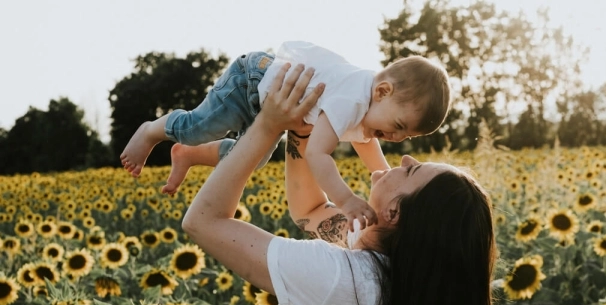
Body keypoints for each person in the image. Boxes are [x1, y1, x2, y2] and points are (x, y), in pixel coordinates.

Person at [182, 64, 498, 305]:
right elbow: (309, 211)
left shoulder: (342, 281)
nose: (404, 159)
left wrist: (267, 125)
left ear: (394, 212)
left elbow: (203, 221)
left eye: (412, 171)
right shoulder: (389, 276)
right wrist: (307, 126)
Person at [121, 41, 451, 230]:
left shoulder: (369, 107)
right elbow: (317, 154)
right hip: (251, 81)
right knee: (196, 128)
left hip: (272, 106)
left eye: (406, 134)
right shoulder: (351, 97)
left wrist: (386, 176)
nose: (397, 138)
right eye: (399, 125)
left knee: (254, 157)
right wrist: (347, 200)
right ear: (382, 90)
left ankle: (189, 155)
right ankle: (151, 130)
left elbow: (369, 148)